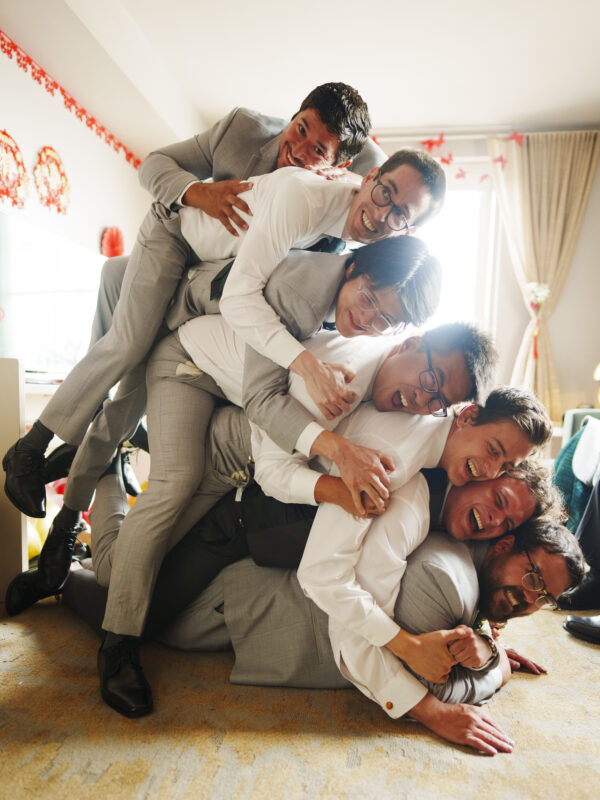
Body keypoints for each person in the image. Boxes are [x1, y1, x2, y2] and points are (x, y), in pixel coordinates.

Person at [2, 82, 386, 520]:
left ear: (340, 165)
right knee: (128, 342)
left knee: (138, 380)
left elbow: (393, 179)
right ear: (294, 115)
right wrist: (197, 192)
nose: (298, 148)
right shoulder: (243, 128)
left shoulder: (344, 210)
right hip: (176, 235)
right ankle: (30, 450)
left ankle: (73, 500)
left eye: (318, 149)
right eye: (299, 129)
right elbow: (153, 165)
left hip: (214, 276)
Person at [60, 513, 584, 754]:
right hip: (236, 604)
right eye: (532, 579)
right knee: (111, 592)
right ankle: (96, 500)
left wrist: (491, 648)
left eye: (545, 598)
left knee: (125, 567)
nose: (529, 600)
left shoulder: (476, 573)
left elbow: (479, 646)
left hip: (255, 593)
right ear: (503, 547)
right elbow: (444, 689)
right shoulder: (444, 580)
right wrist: (494, 668)